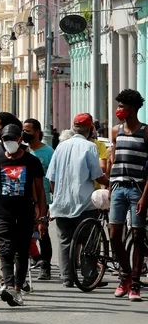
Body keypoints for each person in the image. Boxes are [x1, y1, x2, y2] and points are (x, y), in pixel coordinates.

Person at [0, 124, 47, 307]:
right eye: (5, 139)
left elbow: (40, 191)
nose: (9, 142)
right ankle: (9, 285)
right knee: (5, 249)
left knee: (21, 252)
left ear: (20, 139)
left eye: (12, 138)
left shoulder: (32, 162)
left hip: (25, 213)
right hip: (2, 214)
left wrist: (41, 218)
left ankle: (18, 288)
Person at [47, 113, 107, 288]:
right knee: (89, 241)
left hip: (62, 203)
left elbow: (51, 177)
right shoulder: (90, 147)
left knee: (65, 241)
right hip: (85, 203)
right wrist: (110, 183)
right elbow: (97, 175)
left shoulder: (61, 147)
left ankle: (67, 277)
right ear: (91, 129)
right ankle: (89, 277)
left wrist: (57, 195)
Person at [109, 89, 148, 301]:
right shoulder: (116, 131)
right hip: (117, 188)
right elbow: (114, 159)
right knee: (114, 234)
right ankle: (125, 273)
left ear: (133, 109)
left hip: (137, 189)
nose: (119, 110)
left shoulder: (145, 132)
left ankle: (134, 283)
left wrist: (144, 197)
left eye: (123, 107)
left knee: (137, 235)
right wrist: (109, 185)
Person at [22, 118, 54, 281]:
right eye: (23, 130)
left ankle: (46, 267)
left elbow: (54, 177)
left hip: (43, 199)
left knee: (43, 233)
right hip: (26, 198)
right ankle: (34, 259)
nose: (25, 133)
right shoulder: (24, 151)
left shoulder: (48, 152)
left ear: (37, 132)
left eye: (28, 130)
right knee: (25, 233)